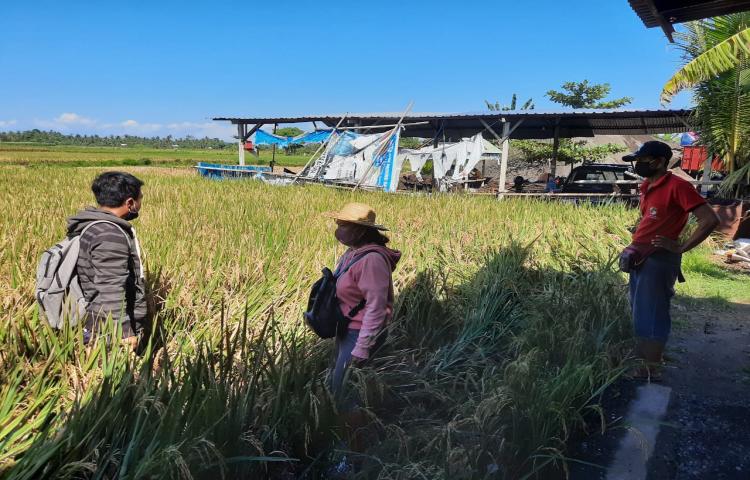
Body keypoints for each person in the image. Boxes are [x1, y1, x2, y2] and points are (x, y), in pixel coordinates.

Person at [619, 141, 719, 378]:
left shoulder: (677, 186)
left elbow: (709, 219)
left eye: (643, 160)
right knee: (640, 311)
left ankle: (649, 370)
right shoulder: (647, 186)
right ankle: (649, 361)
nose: (638, 165)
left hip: (658, 259)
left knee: (651, 313)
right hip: (640, 256)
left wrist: (681, 247)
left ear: (660, 162)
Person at [324, 202, 401, 397]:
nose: (338, 230)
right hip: (347, 328)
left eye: (343, 226)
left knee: (346, 390)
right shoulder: (353, 253)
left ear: (359, 230)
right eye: (338, 224)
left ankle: (354, 425)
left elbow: (376, 307)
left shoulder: (371, 260)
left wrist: (362, 347)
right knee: (344, 384)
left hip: (359, 333)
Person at [67, 171, 148, 349]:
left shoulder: (93, 226)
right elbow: (110, 286)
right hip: (107, 329)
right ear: (129, 202)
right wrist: (124, 331)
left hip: (99, 320)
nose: (141, 203)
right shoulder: (109, 234)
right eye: (140, 198)